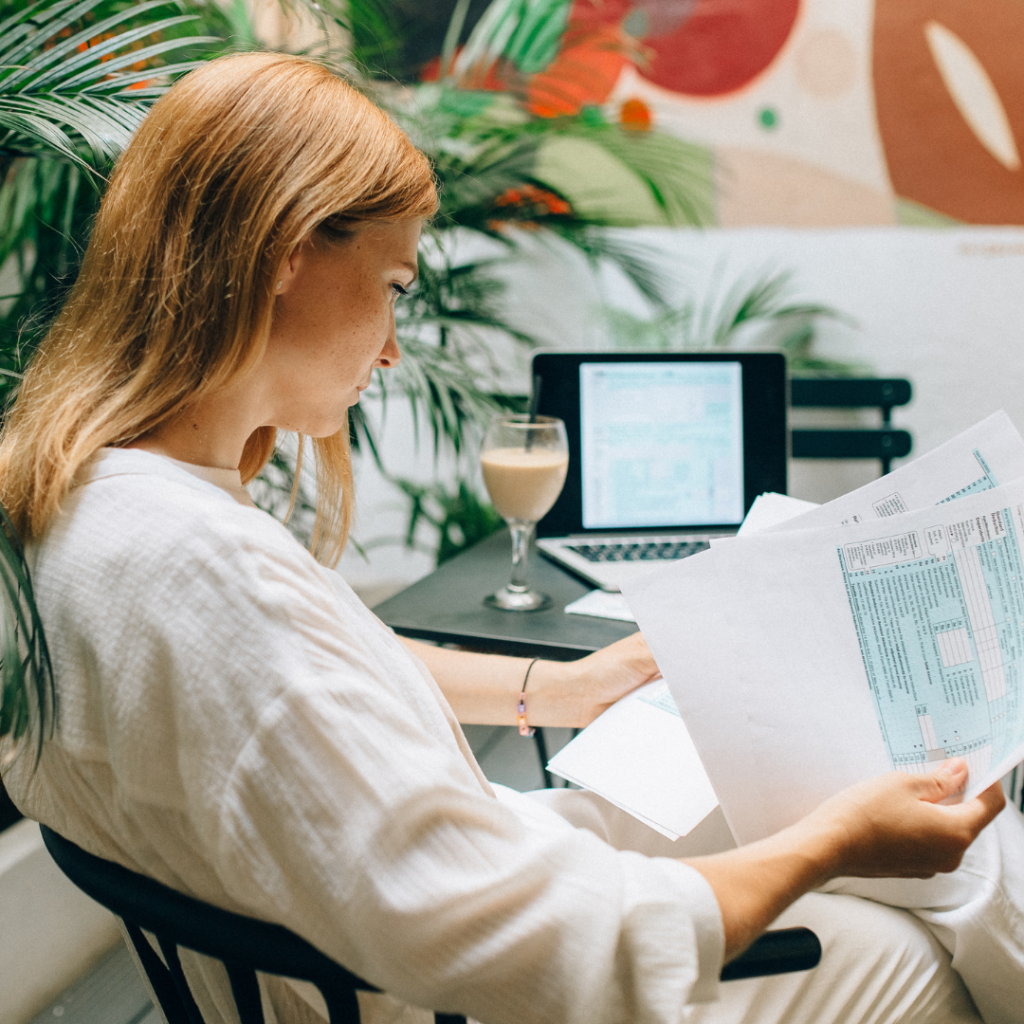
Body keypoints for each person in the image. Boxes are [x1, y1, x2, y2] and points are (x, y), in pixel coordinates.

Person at [0, 52, 1020, 1024]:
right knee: (921, 914)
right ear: (284, 251)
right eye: (394, 288)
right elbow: (541, 934)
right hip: (457, 982)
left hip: (395, 904)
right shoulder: (203, 566)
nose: (396, 347)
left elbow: (300, 669)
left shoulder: (94, 502)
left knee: (889, 803)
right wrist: (832, 844)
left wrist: (560, 689)